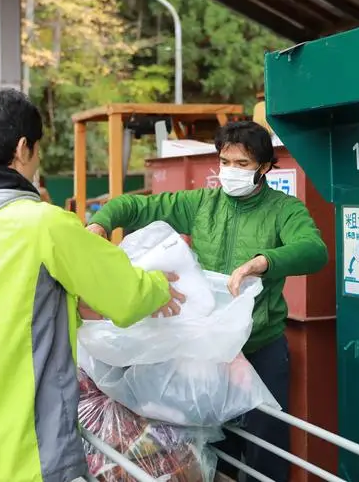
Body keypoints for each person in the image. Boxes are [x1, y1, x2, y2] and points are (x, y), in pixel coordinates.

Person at [0, 87, 184, 482]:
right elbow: (126, 297)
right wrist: (159, 284)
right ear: (23, 149)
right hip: (25, 457)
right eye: (38, 149)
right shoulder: (42, 224)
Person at [87, 120, 329, 481]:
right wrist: (101, 224)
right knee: (214, 442)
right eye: (225, 162)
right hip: (210, 353)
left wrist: (264, 262)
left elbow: (314, 250)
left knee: (267, 444)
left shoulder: (284, 210)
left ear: (263, 168)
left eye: (242, 164)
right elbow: (135, 208)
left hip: (260, 348)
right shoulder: (202, 203)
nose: (231, 171)